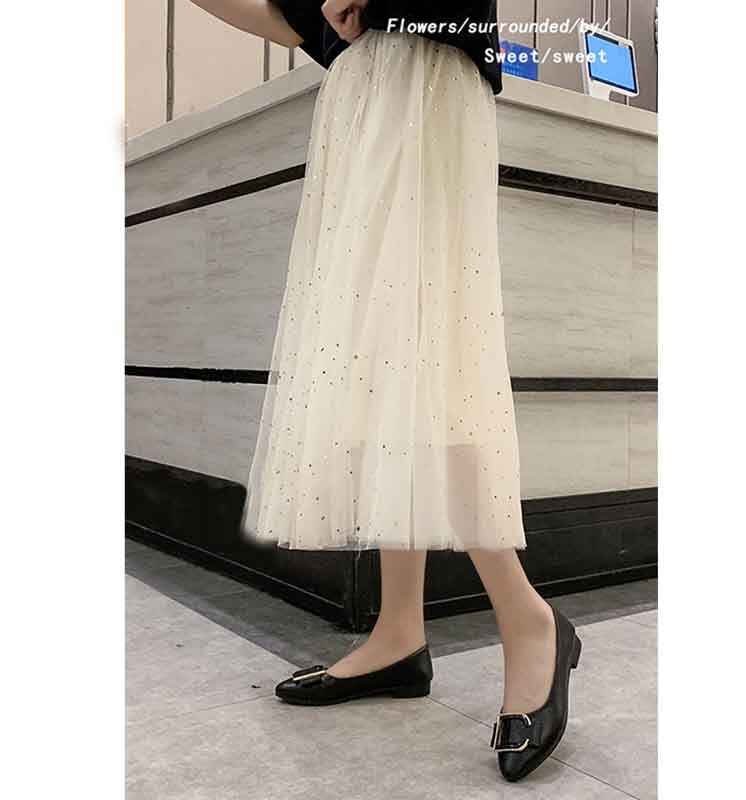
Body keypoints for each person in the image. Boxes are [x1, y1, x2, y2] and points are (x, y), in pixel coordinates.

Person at [189, 0, 581, 782]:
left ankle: (528, 618)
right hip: (364, 93)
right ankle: (399, 631)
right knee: (378, 369)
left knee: (434, 361)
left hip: (427, 73)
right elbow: (302, 20)